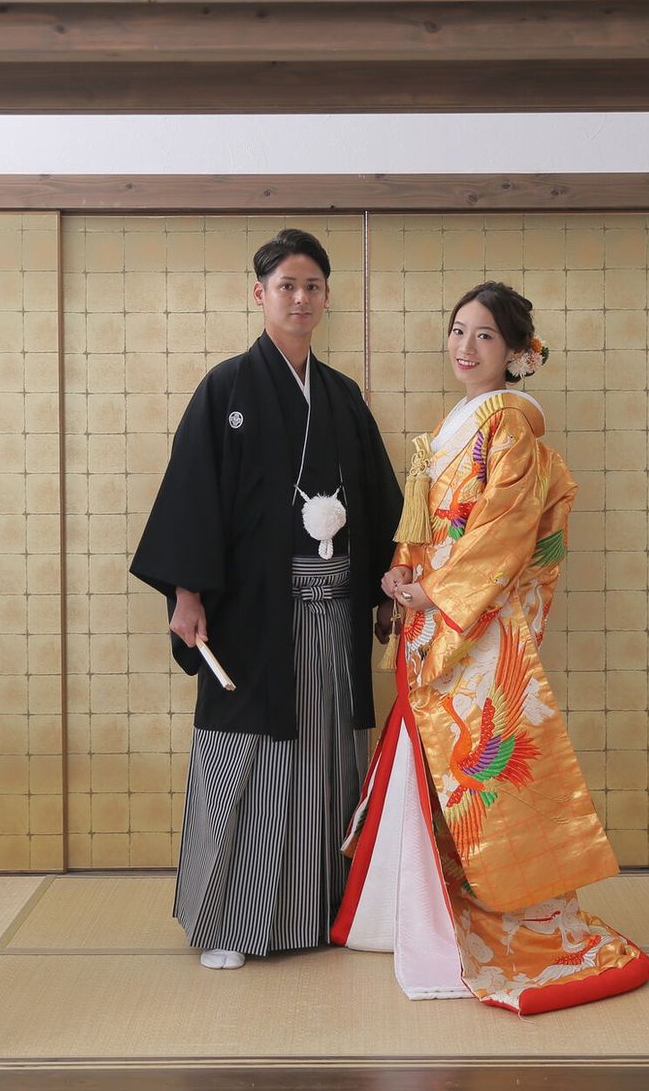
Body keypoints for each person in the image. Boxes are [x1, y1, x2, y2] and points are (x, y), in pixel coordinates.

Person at [333, 282, 649, 1014]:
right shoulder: (456, 424)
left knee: (476, 778)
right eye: (457, 331)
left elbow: (503, 533)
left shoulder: (509, 426)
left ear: (515, 353)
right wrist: (400, 576)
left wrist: (435, 591)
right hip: (434, 620)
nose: (465, 347)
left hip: (473, 630)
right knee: (428, 766)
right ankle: (417, 915)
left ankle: (481, 918)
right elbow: (429, 524)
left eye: (483, 336)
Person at [131, 228, 402, 972]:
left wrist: (384, 593)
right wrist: (186, 593)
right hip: (252, 614)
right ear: (260, 294)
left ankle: (322, 911)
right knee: (245, 756)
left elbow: (378, 501)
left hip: (332, 616)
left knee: (327, 758)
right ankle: (229, 919)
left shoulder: (342, 397)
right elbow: (193, 496)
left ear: (326, 297)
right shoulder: (226, 389)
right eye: (286, 285)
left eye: (313, 286)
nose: (300, 298)